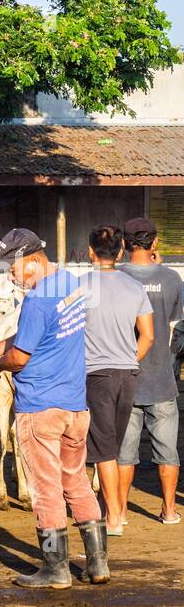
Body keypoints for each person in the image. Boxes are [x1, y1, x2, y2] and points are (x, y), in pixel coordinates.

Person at [0, 228, 108, 589]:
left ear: (31, 260)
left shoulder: (35, 300)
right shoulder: (67, 283)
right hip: (75, 406)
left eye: (12, 267)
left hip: (41, 408)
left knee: (45, 488)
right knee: (77, 482)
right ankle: (97, 563)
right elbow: (40, 334)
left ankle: (55, 567)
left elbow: (20, 357)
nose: (9, 275)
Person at [82, 224, 154, 536]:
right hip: (128, 375)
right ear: (121, 251)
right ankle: (111, 510)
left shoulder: (79, 286)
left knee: (103, 449)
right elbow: (148, 337)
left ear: (89, 252)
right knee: (111, 444)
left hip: (96, 375)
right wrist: (126, 360)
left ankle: (112, 516)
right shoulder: (134, 287)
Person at [118, 216, 183, 525]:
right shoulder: (172, 280)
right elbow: (174, 324)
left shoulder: (113, 278)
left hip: (124, 380)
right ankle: (169, 510)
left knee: (123, 452)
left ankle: (118, 512)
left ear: (123, 244)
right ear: (155, 243)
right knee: (168, 450)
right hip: (162, 380)